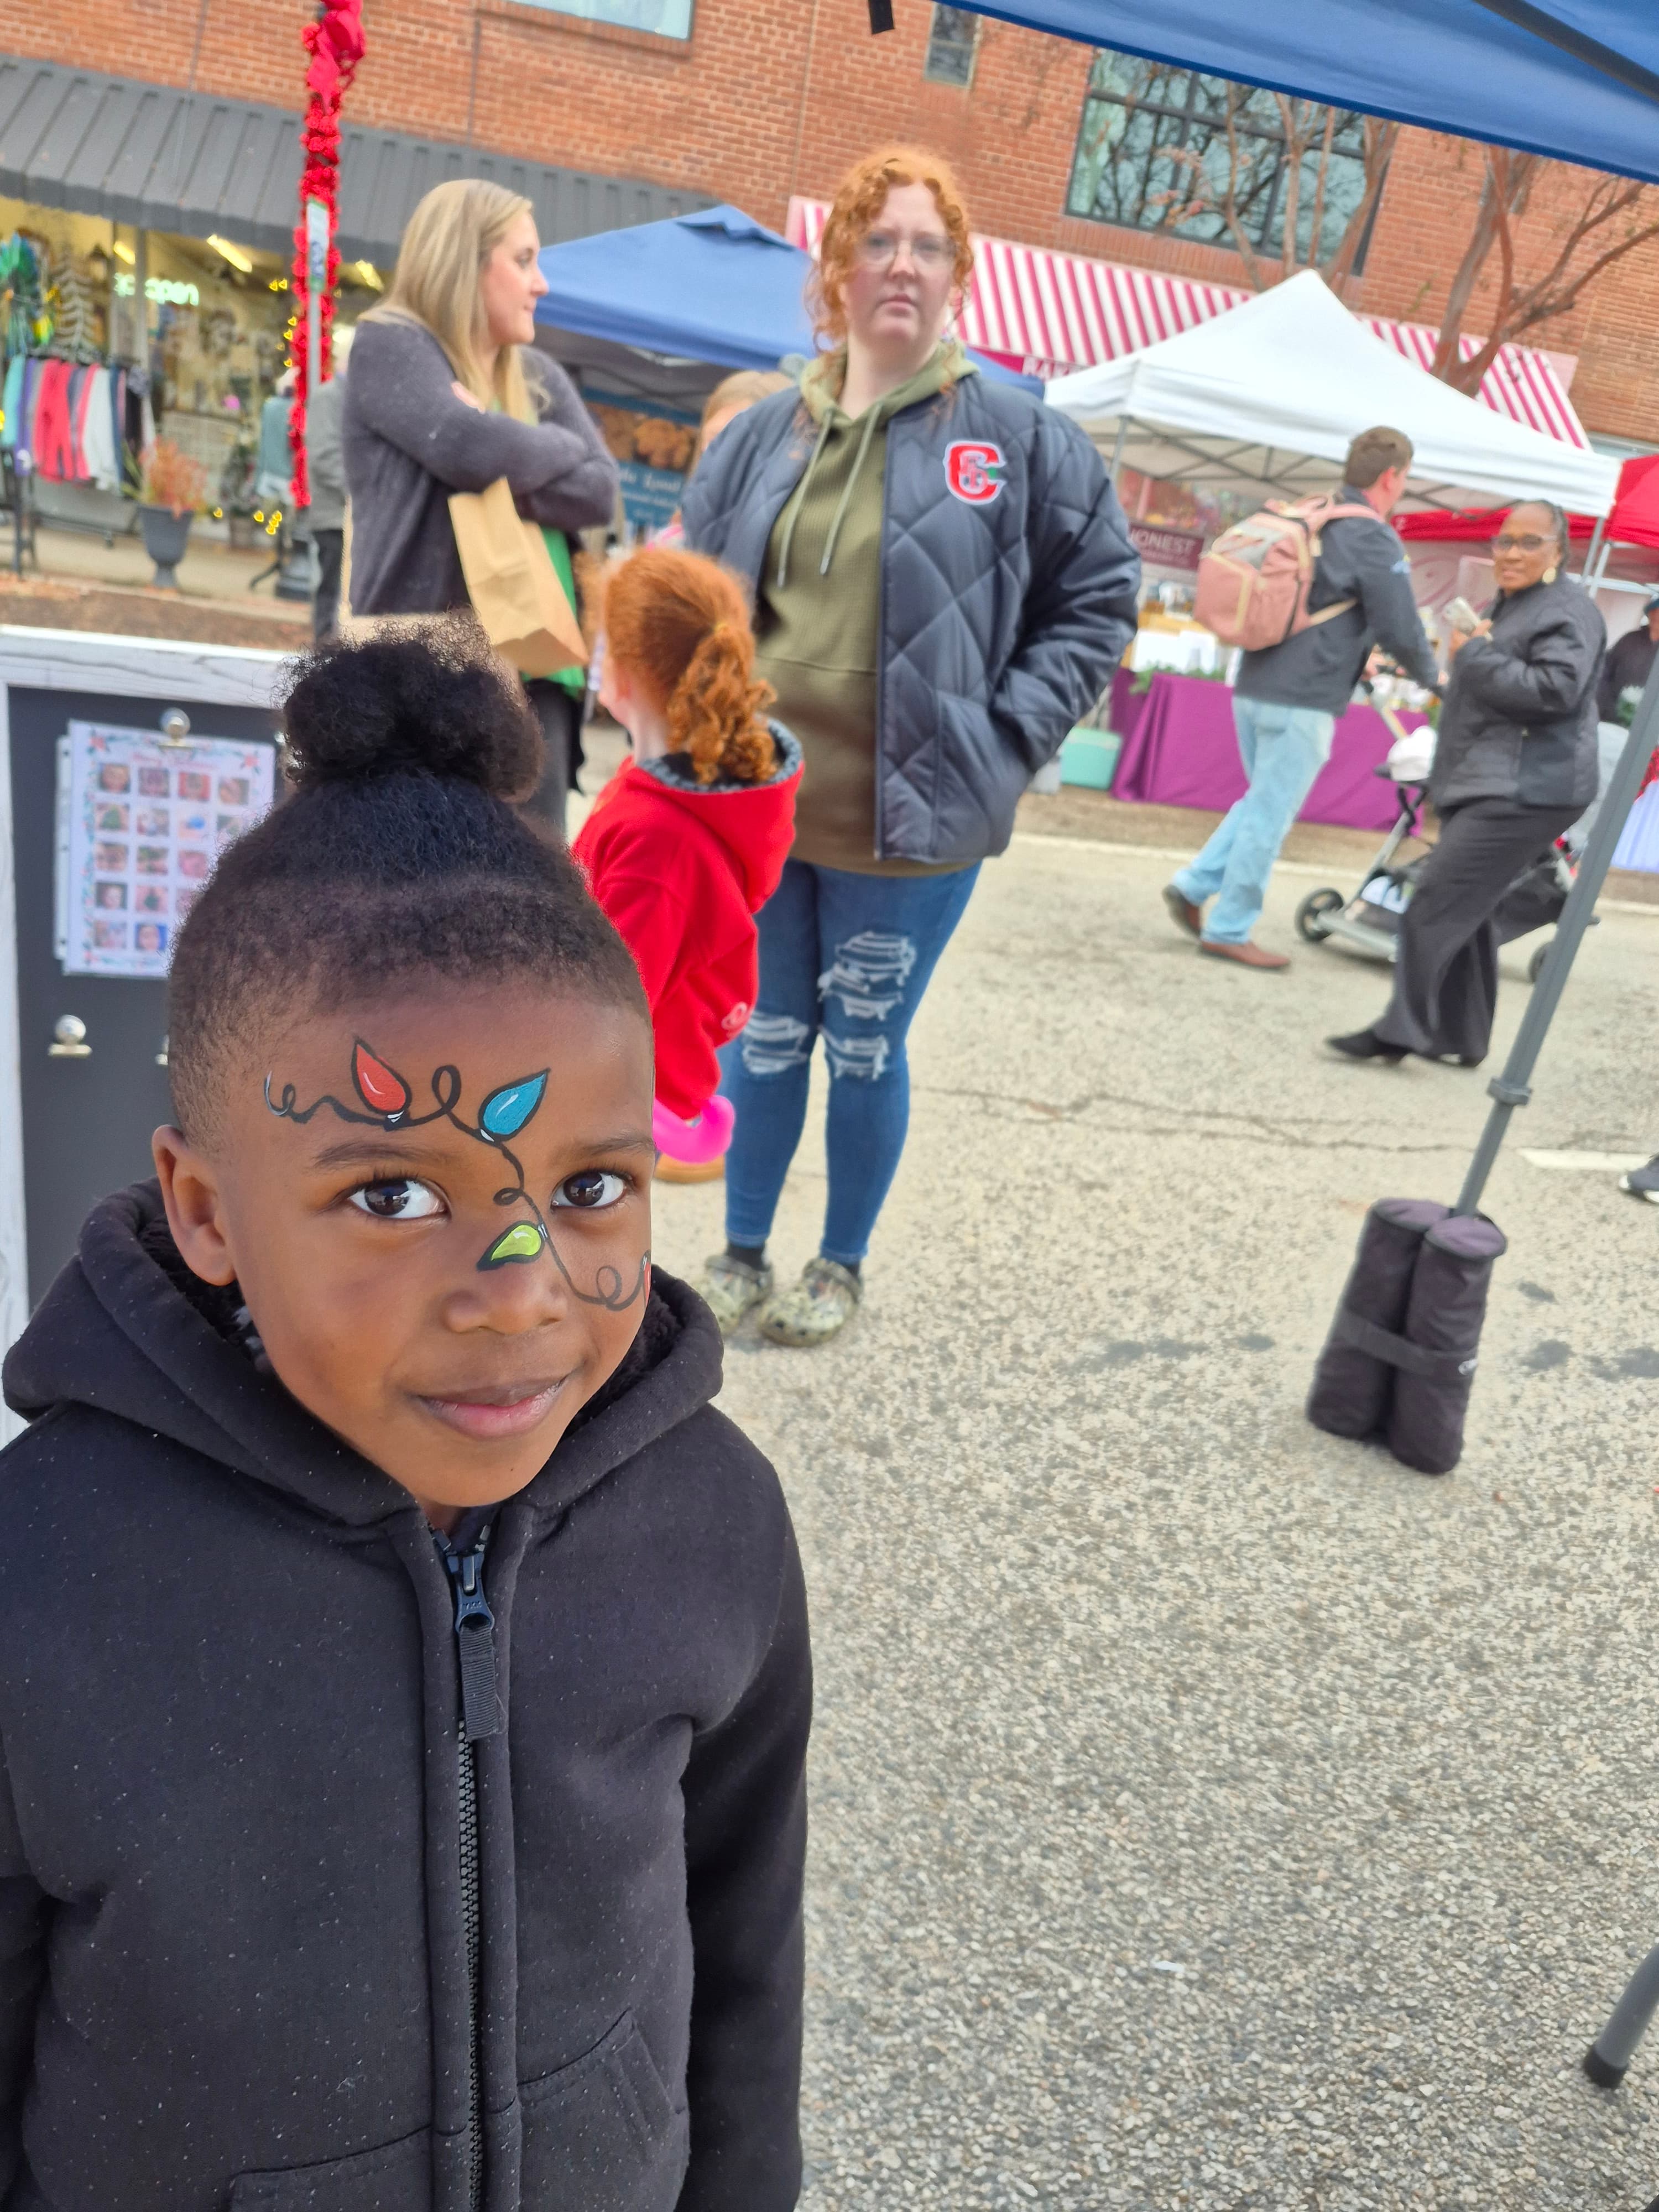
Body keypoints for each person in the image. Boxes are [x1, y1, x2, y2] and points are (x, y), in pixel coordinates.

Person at [0, 624, 810, 2211]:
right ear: (207, 1209)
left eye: (590, 1187)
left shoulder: (713, 1521)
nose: (519, 1290)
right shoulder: (39, 1575)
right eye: (387, 1191)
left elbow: (747, 1952)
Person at [684, 143, 1138, 1346]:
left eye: (927, 244)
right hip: (762, 814)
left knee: (868, 1048)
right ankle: (740, 1249)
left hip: (916, 819)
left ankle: (840, 1262)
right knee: (767, 1040)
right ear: (837, 267)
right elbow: (696, 598)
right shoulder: (761, 433)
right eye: (877, 240)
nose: (902, 264)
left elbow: (1099, 597)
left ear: (958, 274)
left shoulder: (1020, 436)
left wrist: (1007, 735)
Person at [343, 178, 618, 834]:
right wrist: (536, 449)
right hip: (423, 673)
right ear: (465, 261)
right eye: (523, 260)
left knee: (522, 909)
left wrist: (503, 444)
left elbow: (601, 491)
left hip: (535, 675)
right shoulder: (390, 345)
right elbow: (462, 445)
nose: (541, 283)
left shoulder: (540, 377)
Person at [1328, 499, 1603, 1066]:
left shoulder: (1567, 611)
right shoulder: (1514, 604)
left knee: (1434, 899)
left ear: (1559, 551)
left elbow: (1556, 691)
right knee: (1468, 906)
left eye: (1530, 542)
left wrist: (1475, 654)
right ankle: (1462, 1038)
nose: (1512, 552)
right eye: (1505, 541)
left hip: (1527, 789)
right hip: (1490, 780)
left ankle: (1403, 1029)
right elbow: (1495, 691)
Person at [1164, 426, 1439, 970]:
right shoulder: (1372, 536)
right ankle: (1229, 927)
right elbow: (1401, 626)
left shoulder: (1315, 514)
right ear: (1392, 476)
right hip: (1305, 697)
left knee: (1261, 800)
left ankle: (1194, 887)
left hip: (1256, 682)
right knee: (1270, 814)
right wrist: (1436, 678)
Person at [572, 546, 802, 1183]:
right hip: (627, 1087)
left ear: (617, 674)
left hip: (609, 1102)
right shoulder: (673, 790)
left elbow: (608, 1002)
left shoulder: (659, 839)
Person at [651, 371, 795, 549]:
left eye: (742, 444)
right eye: (716, 438)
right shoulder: (671, 545)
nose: (725, 455)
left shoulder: (789, 551)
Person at [304, 322, 352, 643]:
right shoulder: (328, 397)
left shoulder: (351, 398)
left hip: (345, 512)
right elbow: (324, 457)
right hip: (333, 513)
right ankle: (324, 644)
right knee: (331, 587)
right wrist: (360, 493)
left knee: (343, 588)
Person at [1597, 591, 1659, 724]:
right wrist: (1606, 705)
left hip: (1648, 724)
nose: (1657, 616)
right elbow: (1605, 670)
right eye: (1654, 612)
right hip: (1611, 713)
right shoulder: (1630, 639)